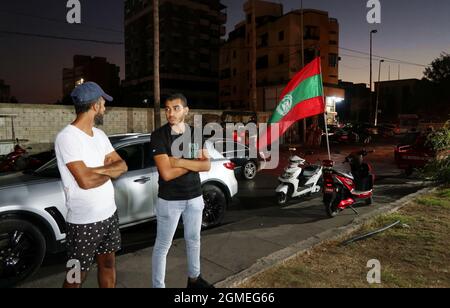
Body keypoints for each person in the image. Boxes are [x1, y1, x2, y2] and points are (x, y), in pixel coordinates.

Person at [55, 82, 128, 288]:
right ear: (95, 106)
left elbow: (122, 165)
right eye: (103, 102)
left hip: (109, 214)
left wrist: (95, 170)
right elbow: (85, 182)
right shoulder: (67, 138)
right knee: (75, 275)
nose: (105, 106)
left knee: (108, 264)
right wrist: (108, 171)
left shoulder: (100, 135)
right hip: (83, 223)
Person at [150, 93, 213, 288]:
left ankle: (194, 280)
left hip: (195, 196)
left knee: (194, 239)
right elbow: (167, 174)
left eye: (176, 108)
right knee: (162, 246)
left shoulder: (195, 133)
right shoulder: (159, 136)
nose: (170, 112)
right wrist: (193, 163)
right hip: (170, 200)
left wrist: (178, 161)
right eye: (167, 109)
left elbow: (206, 166)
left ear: (186, 110)